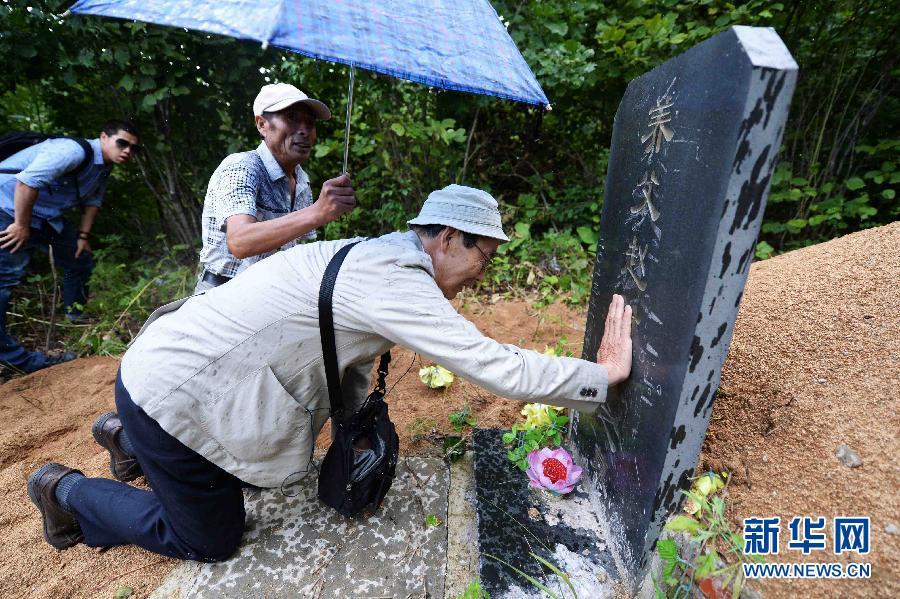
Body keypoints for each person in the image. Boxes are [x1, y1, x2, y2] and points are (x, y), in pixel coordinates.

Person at [27, 184, 633, 562]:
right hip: (171, 396)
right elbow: (495, 366)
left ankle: (128, 440)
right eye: (483, 254)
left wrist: (353, 421)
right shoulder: (396, 282)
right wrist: (600, 377)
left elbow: (344, 353)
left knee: (221, 457)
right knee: (208, 541)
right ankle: (67, 492)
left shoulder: (372, 253)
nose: (482, 272)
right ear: (448, 238)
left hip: (166, 371)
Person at [0, 120, 140, 373]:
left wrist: (83, 236)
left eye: (133, 148)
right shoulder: (71, 151)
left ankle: (75, 316)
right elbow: (26, 183)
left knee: (79, 258)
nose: (128, 151)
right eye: (122, 143)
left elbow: (92, 202)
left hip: (44, 216)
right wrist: (21, 224)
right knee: (6, 278)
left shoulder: (103, 168)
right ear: (104, 137)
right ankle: (12, 357)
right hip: (8, 207)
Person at [195, 82, 356, 292]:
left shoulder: (301, 180)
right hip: (222, 295)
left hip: (271, 296)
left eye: (310, 123)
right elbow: (240, 242)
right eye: (292, 118)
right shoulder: (242, 167)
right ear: (262, 124)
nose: (304, 131)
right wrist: (318, 211)